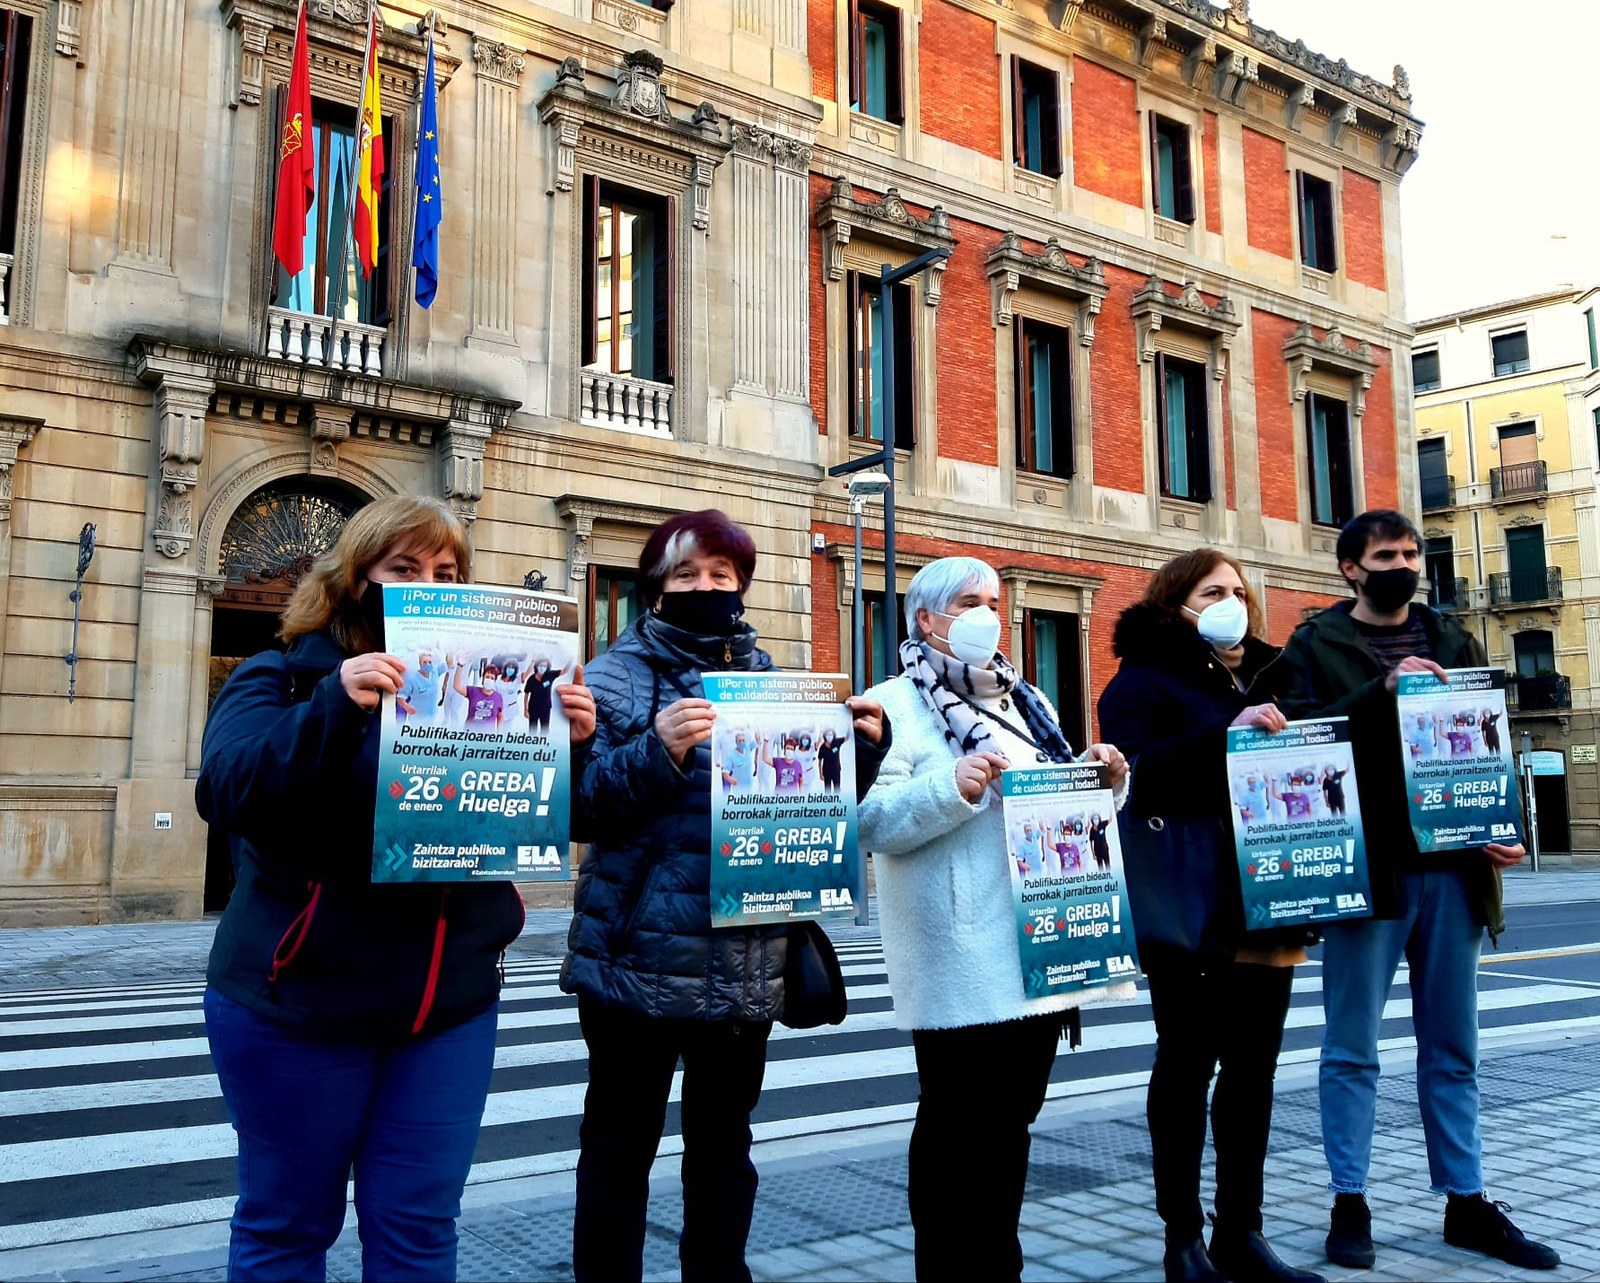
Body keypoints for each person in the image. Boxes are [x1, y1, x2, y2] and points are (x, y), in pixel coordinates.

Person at [196, 495, 597, 1282]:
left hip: (447, 1011)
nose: (429, 583)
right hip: (297, 1005)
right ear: (355, 580)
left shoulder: (493, 686)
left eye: (447, 571)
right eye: (404, 569)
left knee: (418, 1231)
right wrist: (334, 704)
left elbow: (554, 817)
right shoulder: (278, 676)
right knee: (286, 1226)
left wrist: (572, 746)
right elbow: (229, 788)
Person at [561, 509, 889, 1283]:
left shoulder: (772, 682)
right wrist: (658, 749)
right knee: (617, 1148)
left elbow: (815, 812)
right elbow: (579, 808)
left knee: (724, 1150)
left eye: (719, 574)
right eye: (685, 574)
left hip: (743, 958)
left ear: (741, 582)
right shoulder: (611, 674)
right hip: (633, 959)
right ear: (655, 585)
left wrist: (864, 755)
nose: (705, 587)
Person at [1261, 510, 1559, 1273]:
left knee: (1454, 1047)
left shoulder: (1452, 639)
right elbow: (1285, 734)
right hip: (1370, 874)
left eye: (1410, 551)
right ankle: (1349, 1200)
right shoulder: (1312, 645)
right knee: (1350, 1047)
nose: (1403, 562)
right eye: (1385, 553)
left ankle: (1466, 1197)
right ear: (1350, 569)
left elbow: (1487, 735)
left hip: (1456, 872)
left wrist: (1509, 824)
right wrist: (1379, 690)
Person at [856, 556, 1134, 1283]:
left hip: (1038, 942)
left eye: (993, 601)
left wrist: (1102, 776)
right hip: (958, 952)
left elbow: (1056, 803)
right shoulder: (891, 701)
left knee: (1009, 1129)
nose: (987, 613)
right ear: (926, 619)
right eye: (969, 601)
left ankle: (995, 1267)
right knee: (956, 1133)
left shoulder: (1024, 698)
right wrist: (951, 785)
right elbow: (868, 821)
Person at [1098, 548, 1324, 1283]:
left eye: (1238, 589)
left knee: (1254, 1070)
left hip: (1268, 890)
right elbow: (1134, 774)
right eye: (1212, 589)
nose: (1232, 599)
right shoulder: (1141, 678)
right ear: (1176, 600)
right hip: (1187, 897)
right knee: (1188, 1062)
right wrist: (1226, 735)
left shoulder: (1269, 671)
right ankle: (1181, 1238)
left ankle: (1241, 1230)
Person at [395, 645, 445, 722]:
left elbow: (447, 663)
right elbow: (400, 697)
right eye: (424, 662)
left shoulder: (434, 671)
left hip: (430, 714)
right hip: (416, 715)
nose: (427, 664)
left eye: (429, 662)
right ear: (420, 663)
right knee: (400, 720)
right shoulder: (412, 679)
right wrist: (407, 707)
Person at [453, 655, 505, 728]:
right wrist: (460, 666)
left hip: (487, 737)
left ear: (495, 681)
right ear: (483, 678)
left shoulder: (498, 697)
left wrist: (500, 735)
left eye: (492, 678)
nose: (489, 680)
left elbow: (500, 718)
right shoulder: (473, 691)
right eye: (487, 677)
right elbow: (457, 686)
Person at [522, 656, 561, 733]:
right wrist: (525, 710)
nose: (542, 667)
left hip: (545, 708)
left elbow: (564, 671)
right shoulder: (531, 679)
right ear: (537, 666)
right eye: (540, 665)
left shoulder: (550, 675)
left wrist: (570, 661)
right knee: (532, 731)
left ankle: (543, 744)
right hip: (533, 708)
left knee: (545, 730)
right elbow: (526, 694)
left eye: (544, 666)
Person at [817, 727, 843, 792]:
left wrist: (849, 727)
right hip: (826, 772)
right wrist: (820, 774)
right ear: (825, 736)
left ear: (833, 735)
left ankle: (836, 801)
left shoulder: (837, 742)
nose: (829, 736)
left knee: (837, 789)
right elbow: (819, 761)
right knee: (827, 790)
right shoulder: (822, 747)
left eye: (831, 735)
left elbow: (847, 738)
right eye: (828, 735)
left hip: (836, 771)